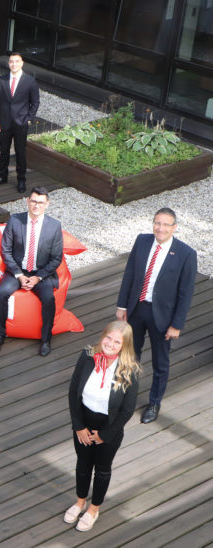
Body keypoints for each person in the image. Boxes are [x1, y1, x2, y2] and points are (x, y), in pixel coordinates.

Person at [116, 207, 197, 424]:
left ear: (174, 228)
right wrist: (122, 305)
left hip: (163, 317)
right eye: (157, 223)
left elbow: (185, 292)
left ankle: (154, 402)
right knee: (130, 356)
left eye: (165, 224)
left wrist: (177, 324)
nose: (160, 228)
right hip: (137, 308)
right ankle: (126, 398)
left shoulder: (186, 254)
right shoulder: (142, 241)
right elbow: (130, 274)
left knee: (160, 362)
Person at [65, 321, 140, 532]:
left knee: (102, 470)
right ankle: (80, 502)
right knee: (83, 464)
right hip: (84, 422)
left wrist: (105, 435)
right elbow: (73, 393)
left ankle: (93, 509)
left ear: (124, 346)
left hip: (109, 427)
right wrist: (78, 426)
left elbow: (127, 410)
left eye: (117, 342)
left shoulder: (129, 370)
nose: (111, 343)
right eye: (108, 338)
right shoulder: (87, 356)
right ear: (102, 336)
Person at [0, 186, 63, 357]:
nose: (37, 205)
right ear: (28, 201)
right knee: (1, 293)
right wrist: (19, 275)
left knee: (49, 299)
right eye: (34, 201)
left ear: (47, 204)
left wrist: (38, 277)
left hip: (41, 272)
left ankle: (46, 339)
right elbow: (5, 251)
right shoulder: (15, 221)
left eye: (41, 202)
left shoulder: (54, 226)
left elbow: (56, 258)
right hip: (17, 270)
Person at [0, 52, 40, 194]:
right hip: (4, 123)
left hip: (21, 123)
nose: (14, 64)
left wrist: (29, 118)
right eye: (11, 62)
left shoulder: (29, 81)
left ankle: (21, 180)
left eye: (17, 61)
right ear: (8, 63)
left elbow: (35, 102)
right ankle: (2, 176)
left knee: (20, 152)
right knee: (3, 151)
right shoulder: (2, 80)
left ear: (22, 63)